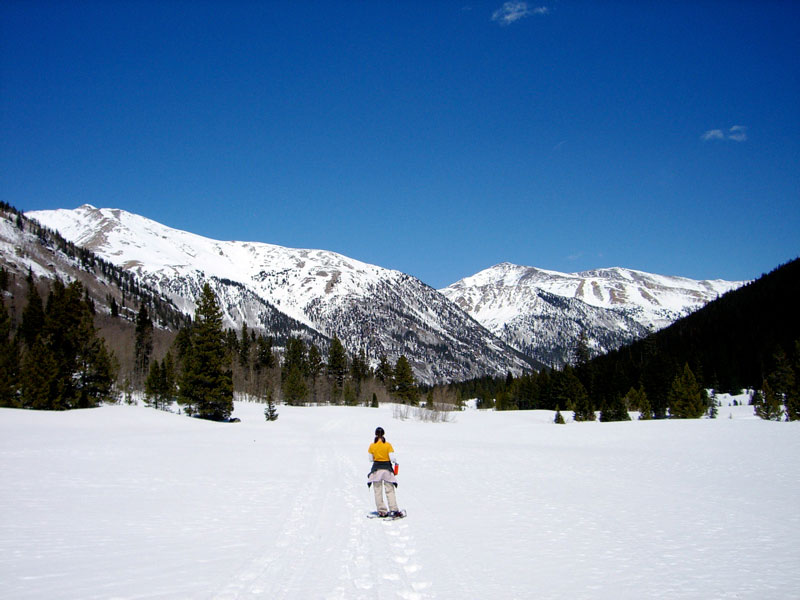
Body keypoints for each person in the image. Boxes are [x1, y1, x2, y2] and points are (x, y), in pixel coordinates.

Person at [367, 426, 400, 517]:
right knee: (389, 490)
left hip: (376, 470)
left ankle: (381, 510)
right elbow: (392, 458)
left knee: (377, 491)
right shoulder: (388, 445)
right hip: (387, 470)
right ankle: (393, 509)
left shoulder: (372, 446)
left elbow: (370, 459)